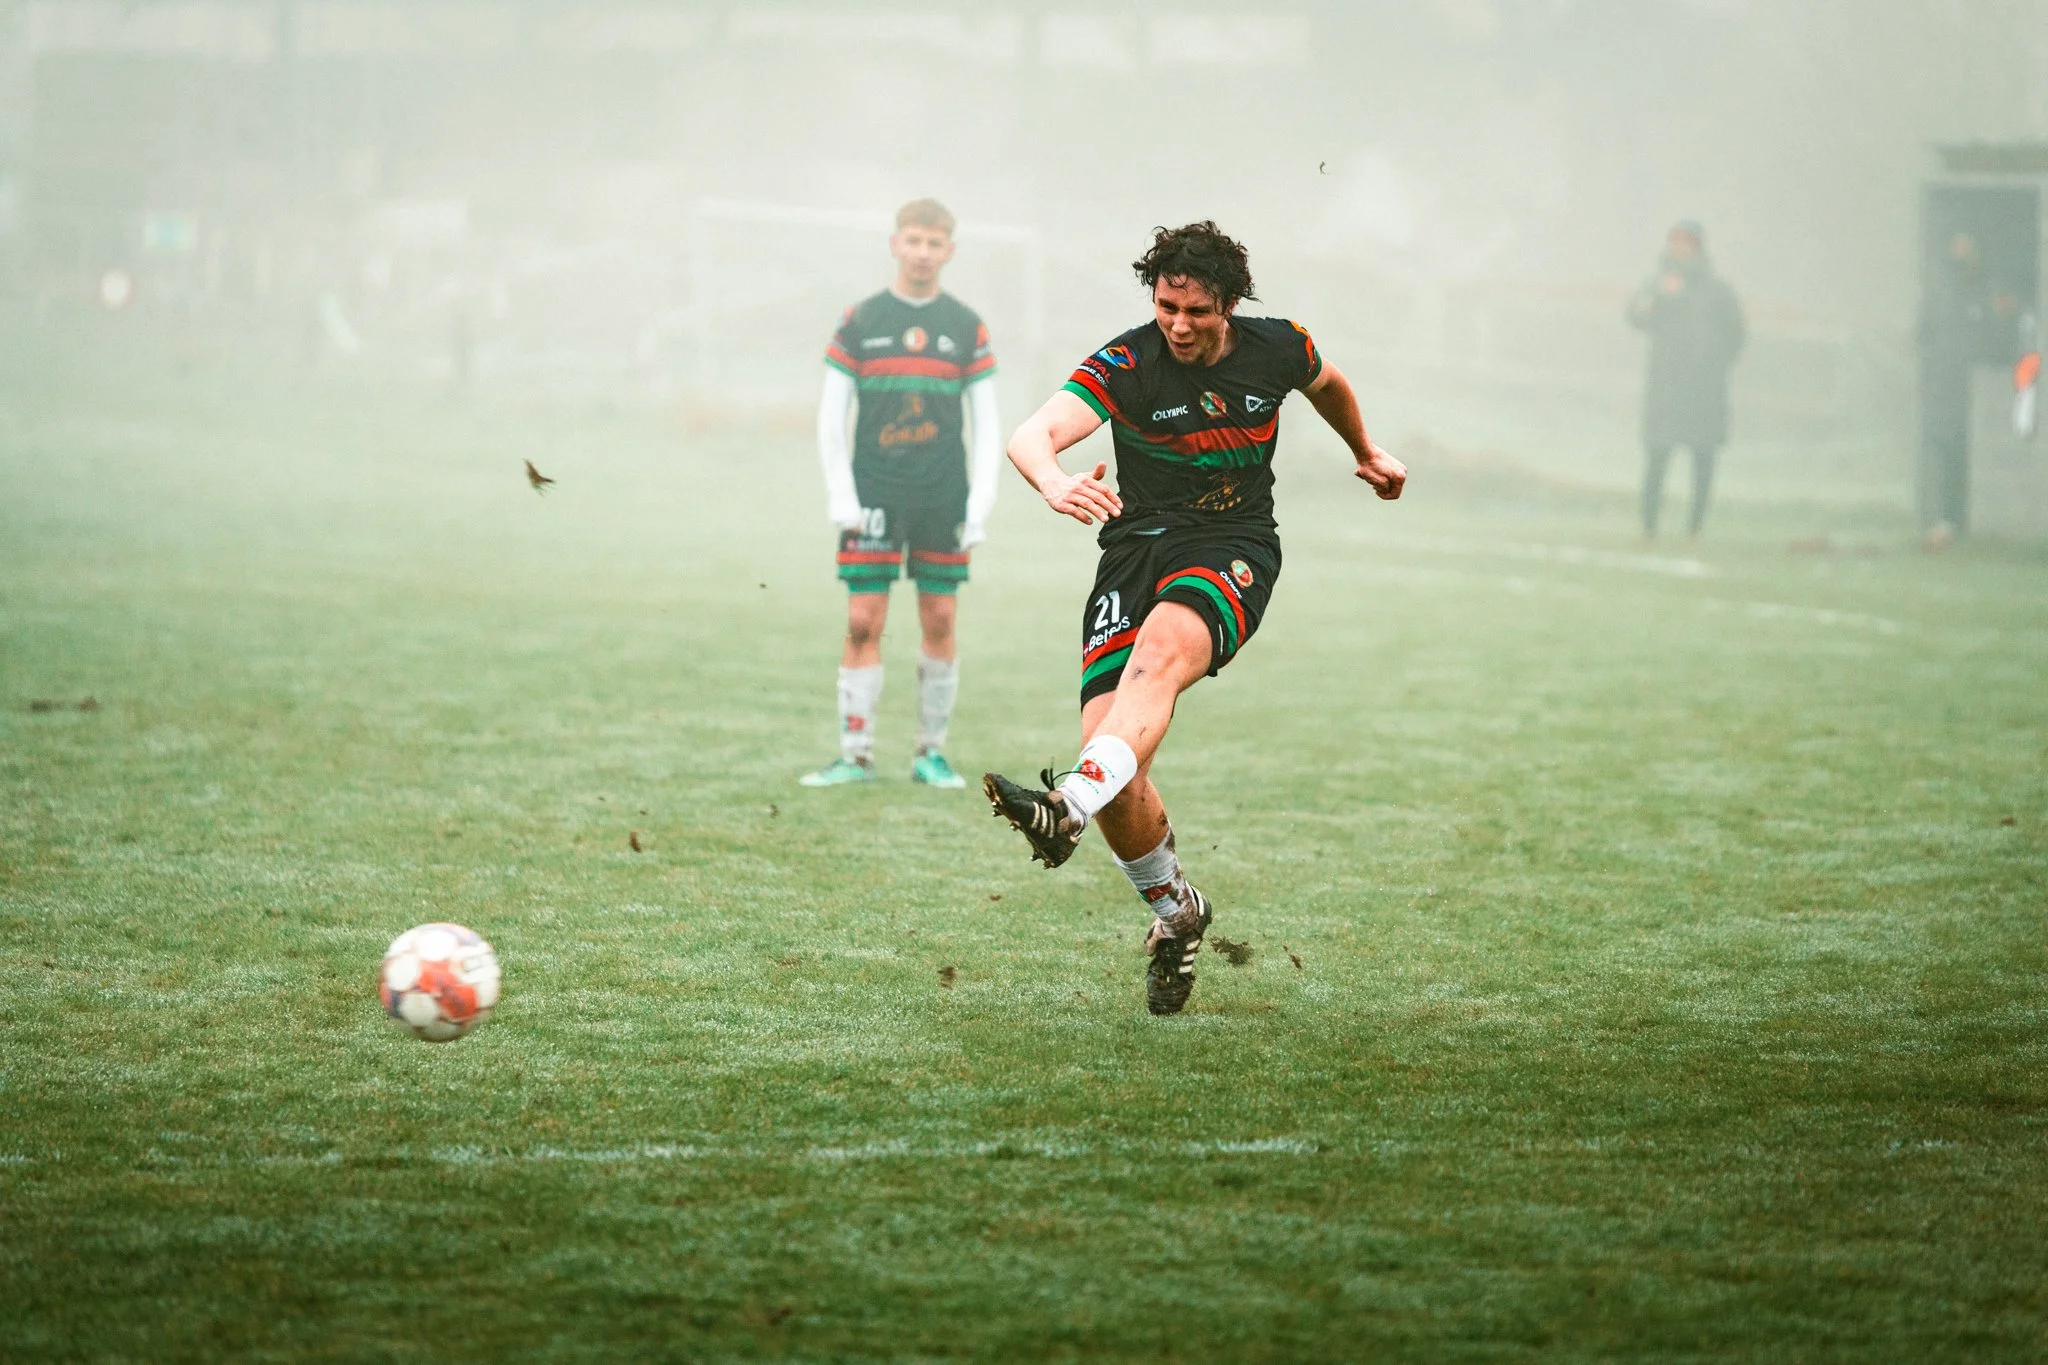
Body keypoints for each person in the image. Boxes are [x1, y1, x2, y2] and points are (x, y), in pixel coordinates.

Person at [981, 222, 1406, 1015]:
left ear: (1230, 305)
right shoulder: (1128, 362)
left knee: (1158, 659)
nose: (1178, 324)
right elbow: (1031, 435)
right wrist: (1052, 480)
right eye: (1166, 307)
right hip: (1134, 550)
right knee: (1115, 761)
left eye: (1196, 311)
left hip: (1230, 544)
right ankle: (1178, 914)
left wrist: (1366, 449)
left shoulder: (1278, 347)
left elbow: (1328, 383)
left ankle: (1065, 809)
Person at [801, 199, 1001, 788]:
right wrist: (841, 496)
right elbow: (830, 416)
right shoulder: (861, 320)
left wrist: (980, 504)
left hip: (943, 496)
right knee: (863, 621)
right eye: (913, 240)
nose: (922, 252)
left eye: (934, 243)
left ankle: (930, 754)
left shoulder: (966, 326)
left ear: (949, 251)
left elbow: (988, 424)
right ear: (895, 244)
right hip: (874, 494)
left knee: (940, 617)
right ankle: (855, 755)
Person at [1626, 220, 1745, 542]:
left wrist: (1713, 364)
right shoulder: (1656, 284)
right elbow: (1636, 317)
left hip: (1704, 389)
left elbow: (1736, 335)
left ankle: (1695, 528)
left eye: (1687, 243)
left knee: (1703, 458)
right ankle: (1648, 526)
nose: (1679, 248)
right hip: (1665, 387)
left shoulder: (1718, 292)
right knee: (1657, 455)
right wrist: (1655, 299)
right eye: (1675, 242)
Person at [1916, 231, 2018, 547]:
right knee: (1945, 449)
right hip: (1945, 384)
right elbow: (1923, 333)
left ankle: (1960, 520)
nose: (1960, 255)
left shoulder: (1990, 291)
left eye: (1966, 248)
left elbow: (2002, 336)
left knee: (1967, 453)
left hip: (1978, 389)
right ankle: (1945, 519)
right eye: (1956, 248)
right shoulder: (1941, 292)